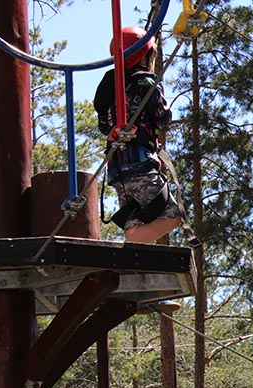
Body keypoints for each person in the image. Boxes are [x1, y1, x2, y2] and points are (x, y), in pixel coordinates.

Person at [94, 26, 181, 244]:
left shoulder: (107, 87)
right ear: (145, 56)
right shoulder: (146, 83)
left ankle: (134, 263)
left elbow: (105, 127)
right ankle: (125, 254)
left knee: (135, 224)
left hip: (117, 169)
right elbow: (163, 117)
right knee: (172, 215)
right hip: (140, 164)